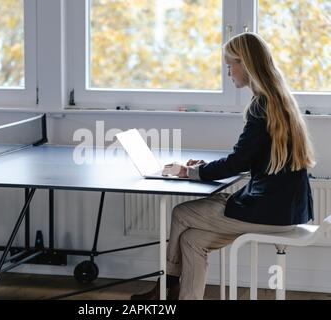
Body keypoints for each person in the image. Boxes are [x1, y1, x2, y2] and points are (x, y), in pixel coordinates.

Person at [131, 32, 315, 300]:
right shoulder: (278, 99)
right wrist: (203, 168)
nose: (229, 72)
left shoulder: (261, 105)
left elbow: (238, 161)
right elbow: (250, 158)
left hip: (269, 212)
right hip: (289, 209)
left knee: (181, 213)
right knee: (192, 240)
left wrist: (188, 172)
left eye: (231, 65)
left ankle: (165, 287)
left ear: (247, 64)